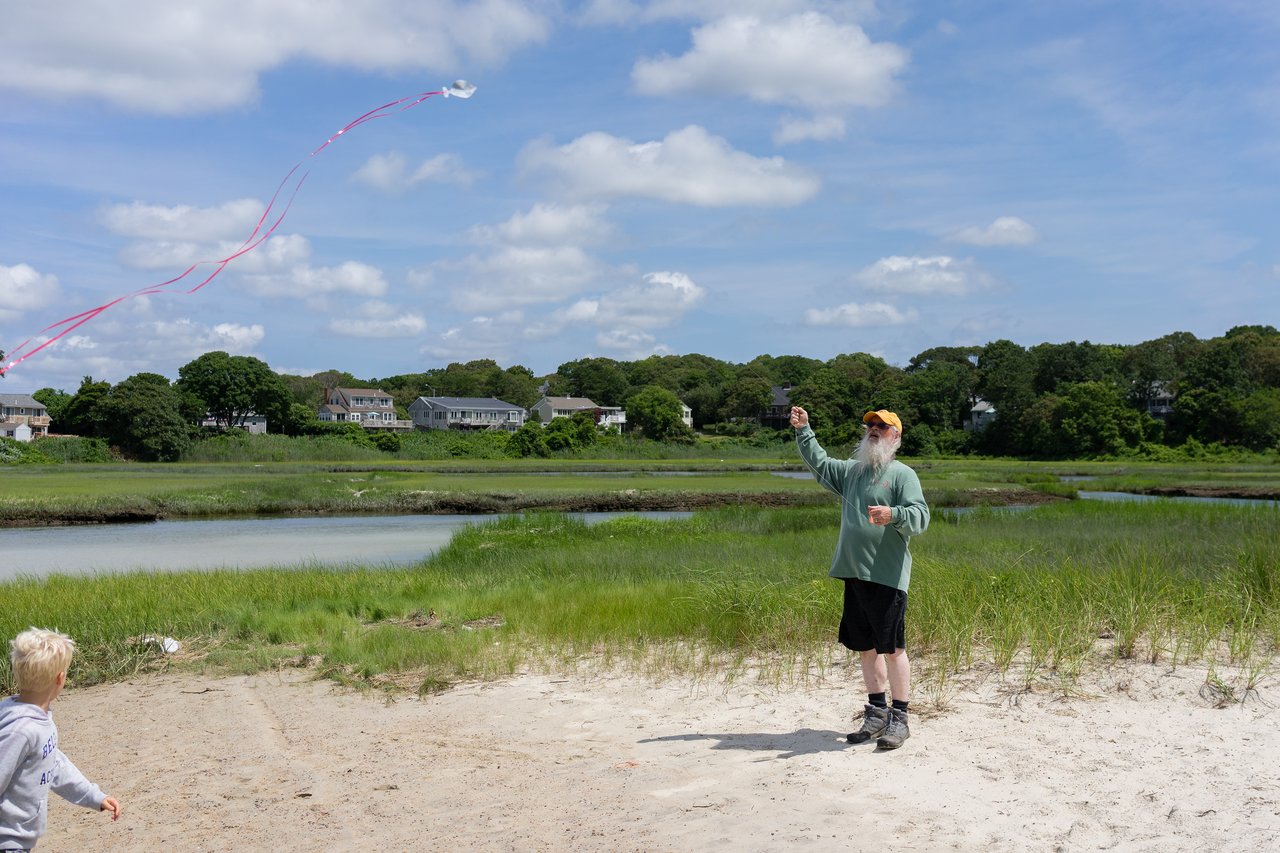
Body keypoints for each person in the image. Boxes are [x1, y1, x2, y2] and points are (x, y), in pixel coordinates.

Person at [790, 407, 930, 749]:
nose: (874, 429)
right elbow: (820, 463)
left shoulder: (903, 475)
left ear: (895, 437)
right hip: (853, 574)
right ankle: (876, 712)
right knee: (866, 649)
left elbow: (921, 517)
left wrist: (893, 513)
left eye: (883, 426)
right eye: (870, 424)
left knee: (893, 649)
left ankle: (900, 718)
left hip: (887, 577)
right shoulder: (851, 472)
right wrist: (804, 429)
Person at [0, 628, 121, 851]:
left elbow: (54, 763)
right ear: (60, 678)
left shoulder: (40, 721)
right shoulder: (21, 729)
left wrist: (93, 796)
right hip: (8, 840)